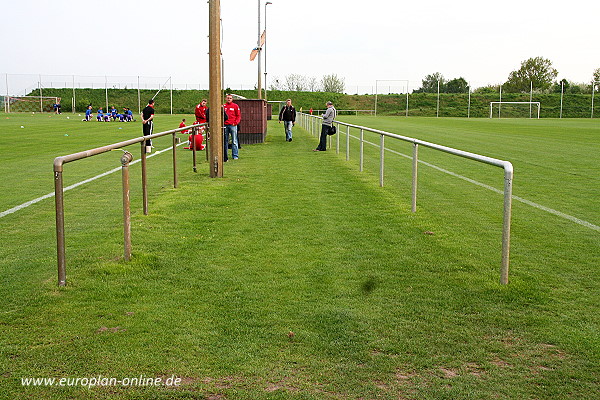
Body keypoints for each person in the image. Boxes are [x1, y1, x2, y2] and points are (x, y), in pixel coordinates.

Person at [223, 94, 241, 161]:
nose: (229, 99)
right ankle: (225, 156)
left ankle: (235, 155)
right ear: (225, 99)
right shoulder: (223, 106)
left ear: (232, 99)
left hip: (233, 125)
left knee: (234, 141)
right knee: (225, 141)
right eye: (228, 98)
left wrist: (236, 123)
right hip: (225, 125)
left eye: (230, 98)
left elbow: (238, 116)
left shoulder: (235, 106)